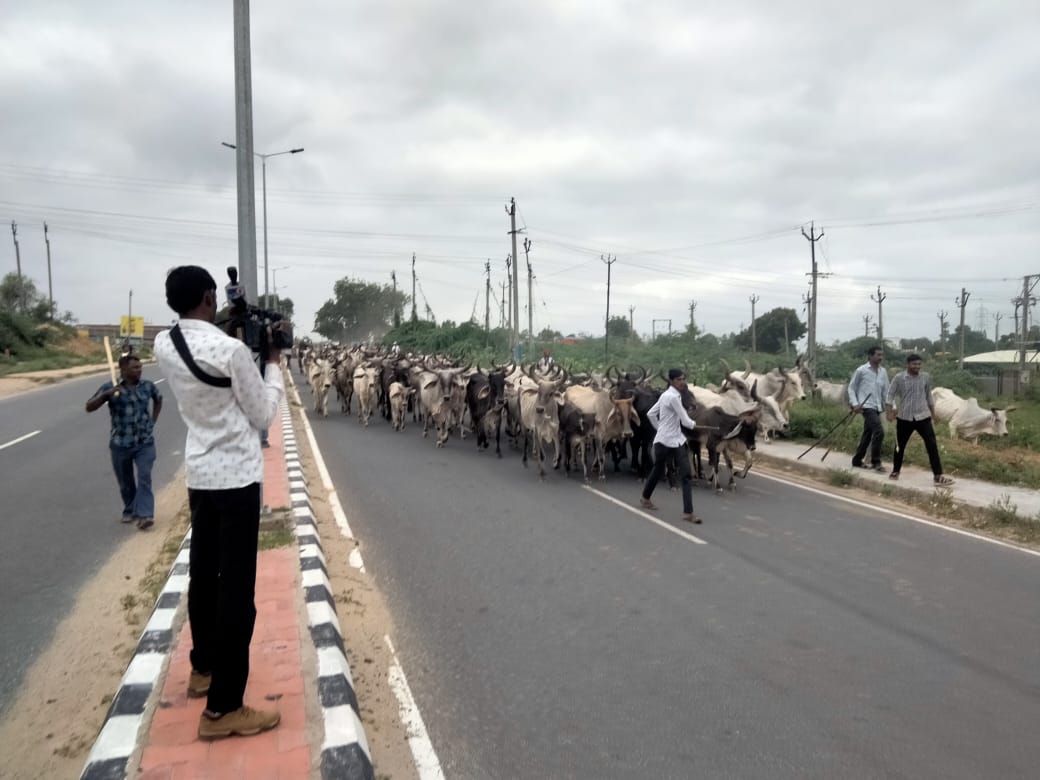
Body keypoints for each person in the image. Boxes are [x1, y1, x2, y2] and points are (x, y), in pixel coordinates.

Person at [154, 265, 285, 740]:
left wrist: (225, 332)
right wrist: (269, 359)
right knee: (237, 595)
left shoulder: (164, 344)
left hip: (201, 476)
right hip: (237, 480)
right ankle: (223, 708)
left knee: (204, 577)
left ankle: (202, 668)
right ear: (211, 297)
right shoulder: (231, 351)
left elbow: (200, 354)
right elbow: (264, 413)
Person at [85, 354, 163, 530]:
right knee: (126, 482)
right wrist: (106, 395)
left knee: (144, 477)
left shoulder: (148, 386)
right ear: (124, 369)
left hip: (144, 442)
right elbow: (89, 406)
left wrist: (152, 421)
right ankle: (130, 509)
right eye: (135, 367)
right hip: (121, 444)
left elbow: (159, 400)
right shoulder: (110, 387)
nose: (139, 370)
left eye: (140, 367)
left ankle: (145, 515)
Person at [639, 368, 702, 523]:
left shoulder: (665, 395)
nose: (683, 382)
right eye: (679, 379)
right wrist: (694, 424)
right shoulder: (673, 397)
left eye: (683, 379)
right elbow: (685, 420)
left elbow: (651, 414)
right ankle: (646, 498)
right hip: (666, 440)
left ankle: (688, 512)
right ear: (672, 381)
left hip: (674, 440)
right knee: (658, 469)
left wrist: (660, 428)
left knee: (685, 474)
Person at [885, 354, 954, 486]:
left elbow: (928, 396)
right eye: (914, 364)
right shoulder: (899, 378)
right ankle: (895, 471)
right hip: (904, 417)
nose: (917, 367)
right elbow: (890, 395)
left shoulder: (925, 377)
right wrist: (889, 412)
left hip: (923, 417)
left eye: (919, 364)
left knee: (932, 445)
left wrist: (933, 414)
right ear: (908, 364)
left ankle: (938, 476)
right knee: (899, 446)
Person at [848, 345, 890, 472]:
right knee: (879, 431)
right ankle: (876, 462)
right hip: (865, 406)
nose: (880, 358)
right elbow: (851, 388)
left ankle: (857, 460)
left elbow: (886, 391)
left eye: (881, 355)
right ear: (870, 356)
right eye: (878, 355)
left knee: (868, 434)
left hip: (877, 406)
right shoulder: (861, 370)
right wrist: (855, 404)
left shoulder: (883, 372)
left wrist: (891, 406)